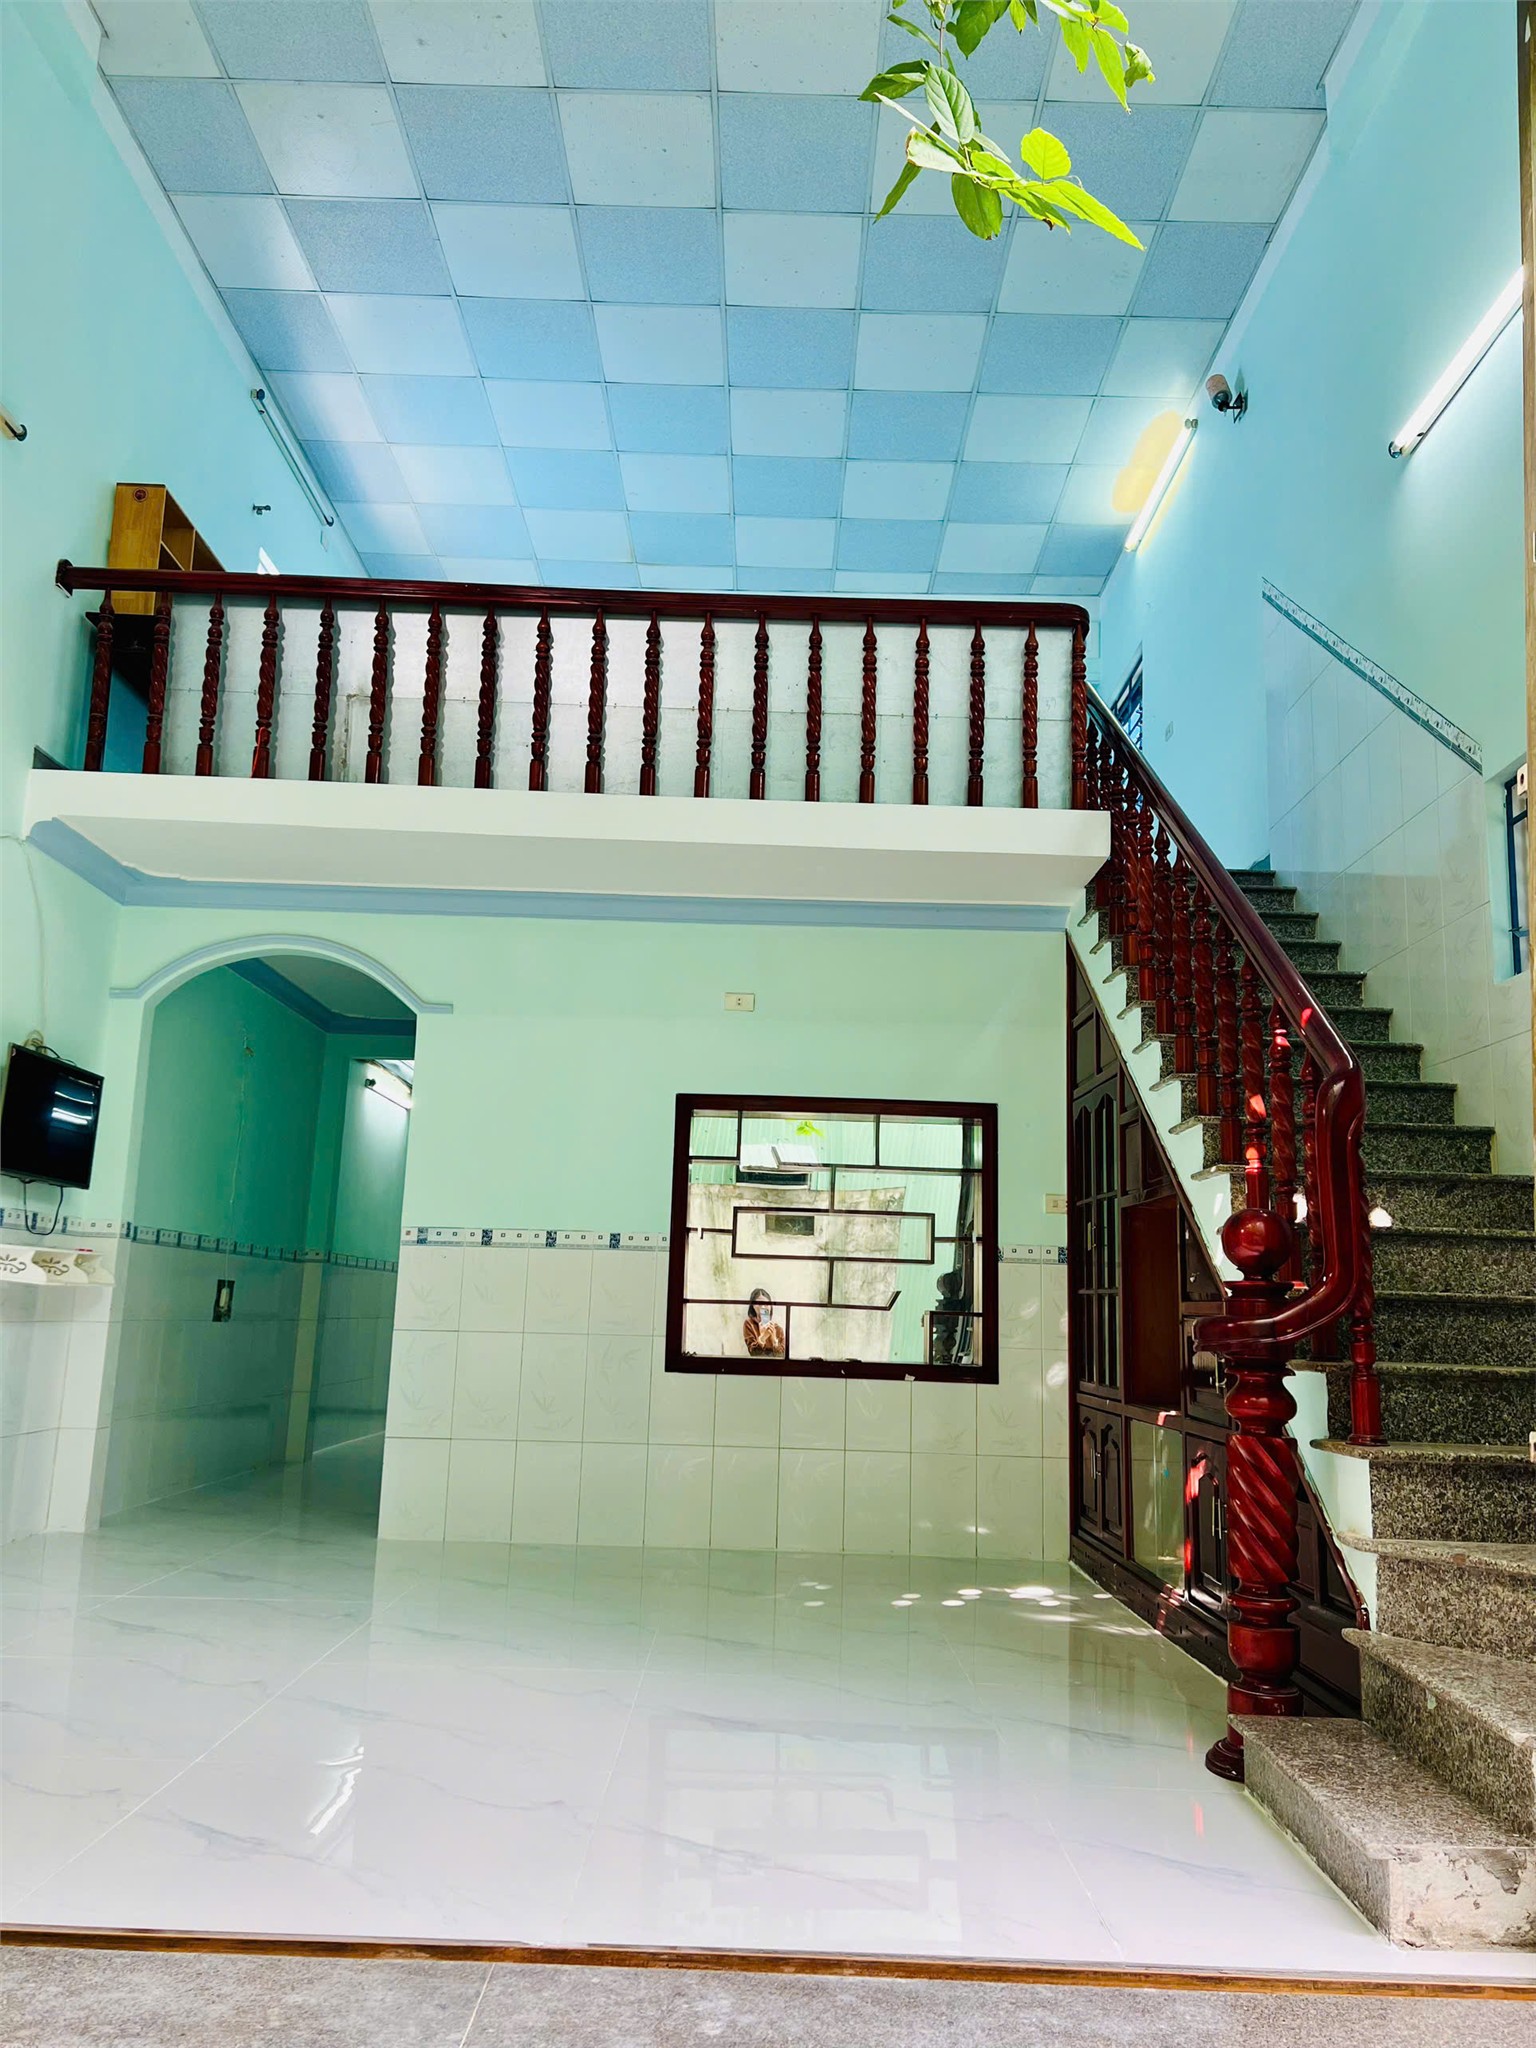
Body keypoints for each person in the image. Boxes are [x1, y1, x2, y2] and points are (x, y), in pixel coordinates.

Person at [743, 1287, 785, 1358]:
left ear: (770, 1306)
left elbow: (781, 1357)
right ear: (753, 1306)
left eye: (766, 1304)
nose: (763, 1307)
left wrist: (774, 1340)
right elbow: (754, 1354)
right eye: (759, 1304)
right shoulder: (749, 1324)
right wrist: (763, 1337)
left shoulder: (778, 1329)